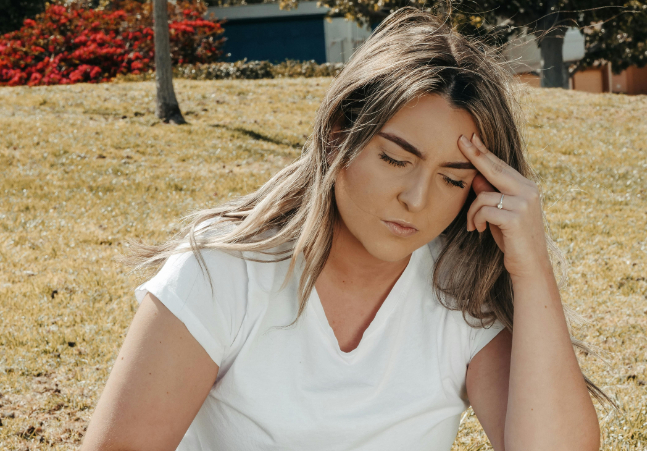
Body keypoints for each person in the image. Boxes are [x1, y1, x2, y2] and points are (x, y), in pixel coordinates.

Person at [80, 7, 607, 451]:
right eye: (396, 159)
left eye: (452, 179)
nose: (417, 199)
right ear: (338, 136)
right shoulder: (220, 270)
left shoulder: (460, 296)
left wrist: (532, 269)